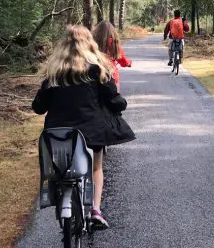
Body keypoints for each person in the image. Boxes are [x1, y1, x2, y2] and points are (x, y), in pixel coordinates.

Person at [31, 25, 136, 230]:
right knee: (97, 166)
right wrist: (120, 104)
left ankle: (59, 193)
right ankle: (95, 209)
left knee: (59, 169)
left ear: (64, 46)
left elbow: (38, 108)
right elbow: (114, 101)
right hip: (92, 132)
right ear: (89, 44)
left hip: (57, 135)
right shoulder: (95, 70)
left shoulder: (53, 75)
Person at [92, 20, 131, 87]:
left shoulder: (92, 42)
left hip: (94, 74)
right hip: (111, 76)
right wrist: (129, 63)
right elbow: (123, 61)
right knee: (114, 95)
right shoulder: (114, 43)